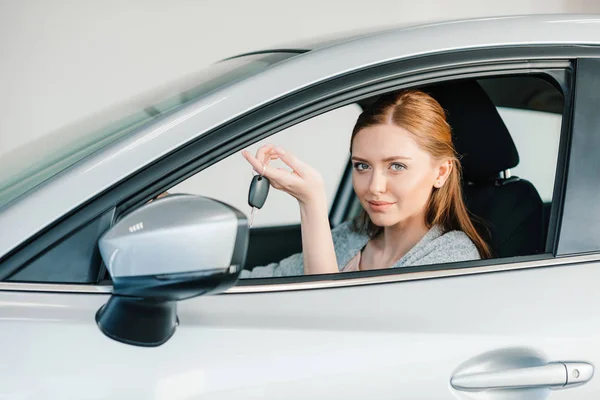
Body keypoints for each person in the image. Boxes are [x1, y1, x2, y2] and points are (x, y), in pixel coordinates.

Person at [240, 90, 490, 278]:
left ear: (441, 173)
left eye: (397, 166)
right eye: (362, 166)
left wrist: (311, 202)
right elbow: (268, 281)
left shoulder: (453, 258)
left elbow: (334, 331)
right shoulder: (351, 237)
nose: (374, 186)